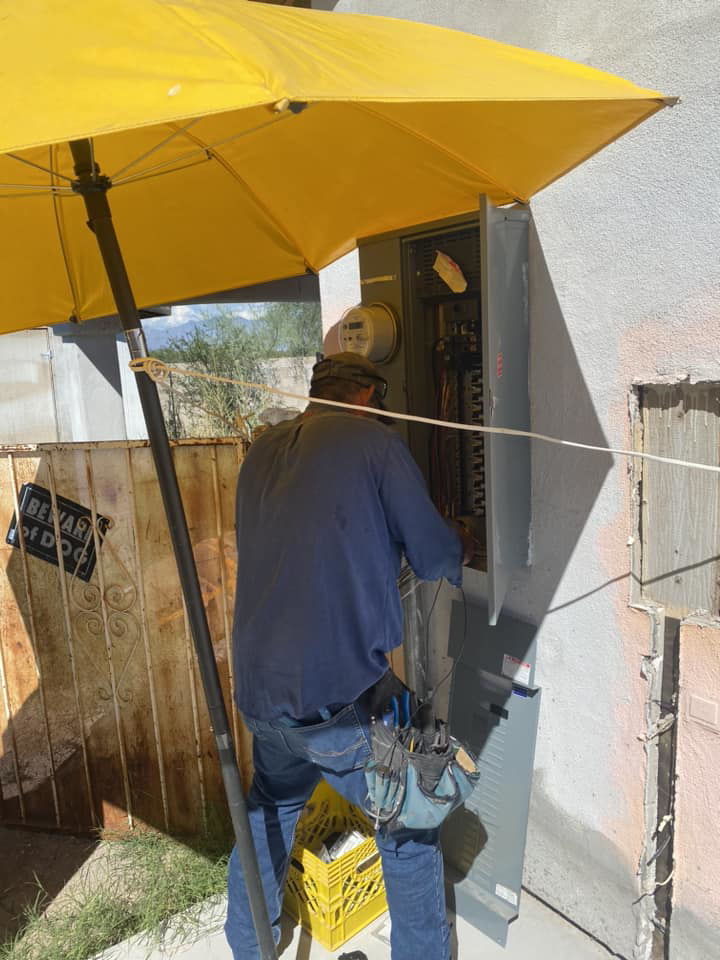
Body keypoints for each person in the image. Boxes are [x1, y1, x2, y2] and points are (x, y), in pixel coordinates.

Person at [226, 351, 473, 960]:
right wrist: (460, 535)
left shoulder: (261, 451)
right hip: (335, 704)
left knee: (268, 807)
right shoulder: (374, 442)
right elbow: (437, 556)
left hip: (259, 695)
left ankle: (247, 944)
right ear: (368, 395)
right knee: (408, 822)